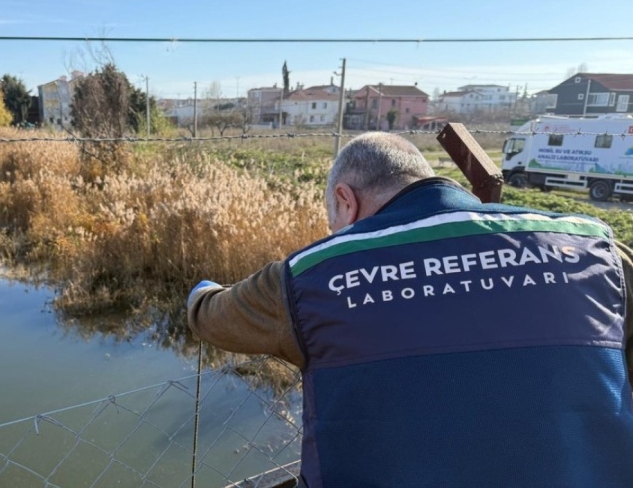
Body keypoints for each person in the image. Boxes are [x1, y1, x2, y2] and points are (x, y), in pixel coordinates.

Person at [187, 132, 633, 487]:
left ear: (346, 200)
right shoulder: (595, 248)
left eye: (333, 221)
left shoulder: (310, 277)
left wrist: (201, 290)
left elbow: (210, 316)